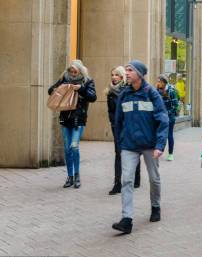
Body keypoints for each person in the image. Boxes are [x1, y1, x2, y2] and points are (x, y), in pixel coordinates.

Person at [112, 60, 169, 235]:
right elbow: (118, 121)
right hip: (129, 145)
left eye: (130, 70)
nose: (126, 73)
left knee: (154, 178)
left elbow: (163, 120)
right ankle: (127, 219)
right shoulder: (124, 94)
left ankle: (156, 206)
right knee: (127, 180)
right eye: (126, 70)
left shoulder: (152, 94)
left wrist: (159, 145)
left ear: (140, 74)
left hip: (150, 145)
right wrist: (120, 143)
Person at [48, 60, 97, 189]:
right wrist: (59, 88)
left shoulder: (87, 81)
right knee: (67, 149)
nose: (73, 73)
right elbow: (50, 91)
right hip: (65, 119)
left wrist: (81, 89)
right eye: (71, 71)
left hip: (78, 119)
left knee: (74, 146)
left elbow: (93, 97)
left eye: (76, 71)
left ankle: (77, 175)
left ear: (81, 71)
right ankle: (69, 177)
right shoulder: (64, 79)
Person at [106, 66, 141, 195]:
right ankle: (117, 183)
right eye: (112, 74)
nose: (113, 77)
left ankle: (136, 177)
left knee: (134, 149)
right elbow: (110, 110)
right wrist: (113, 121)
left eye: (116, 75)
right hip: (116, 125)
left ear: (122, 77)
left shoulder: (128, 90)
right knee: (118, 152)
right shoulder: (110, 91)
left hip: (128, 125)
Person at [156, 75, 179, 161]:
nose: (157, 83)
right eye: (157, 81)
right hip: (160, 117)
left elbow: (176, 105)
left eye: (159, 81)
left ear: (163, 82)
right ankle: (159, 151)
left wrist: (167, 113)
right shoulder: (156, 91)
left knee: (169, 135)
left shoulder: (171, 91)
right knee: (160, 135)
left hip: (169, 117)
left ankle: (170, 154)